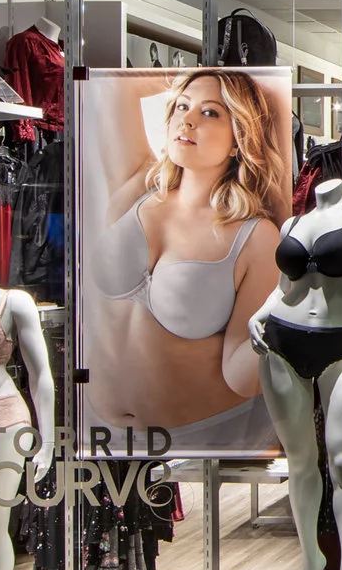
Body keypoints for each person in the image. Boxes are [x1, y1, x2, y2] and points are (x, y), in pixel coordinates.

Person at [88, 68, 290, 439]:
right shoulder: (139, 186)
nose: (188, 120)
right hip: (100, 434)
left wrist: (290, 315)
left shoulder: (255, 237)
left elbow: (242, 376)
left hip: (201, 437)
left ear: (239, 139)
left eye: (210, 112)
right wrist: (195, 72)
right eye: (182, 106)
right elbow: (116, 85)